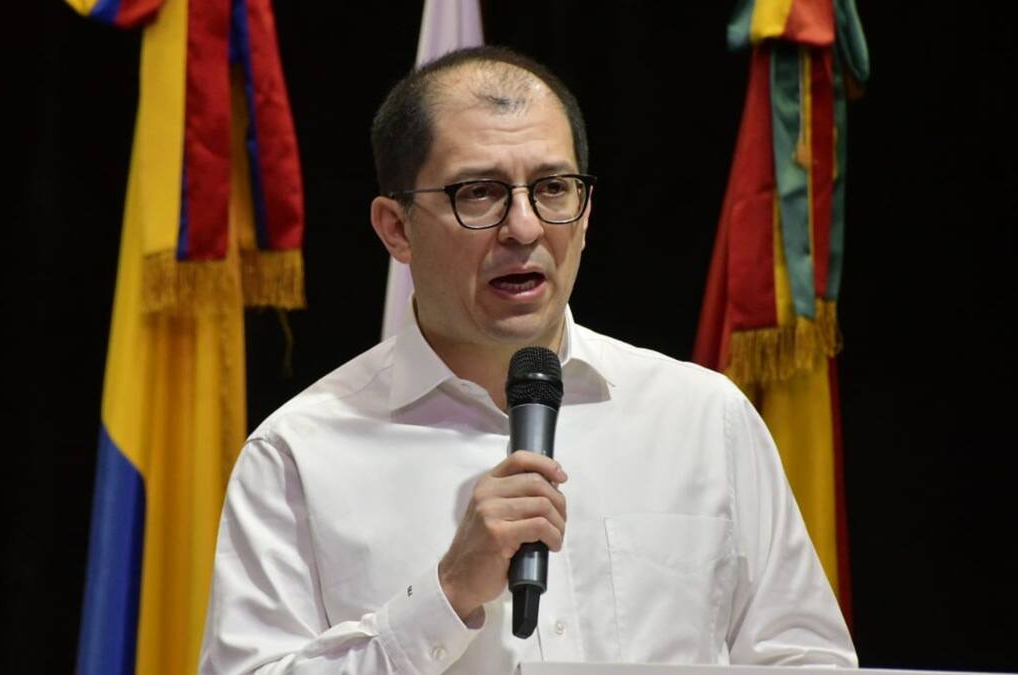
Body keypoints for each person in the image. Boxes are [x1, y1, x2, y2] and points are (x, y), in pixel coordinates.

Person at [199, 46, 856, 674]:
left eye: (553, 187)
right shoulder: (299, 453)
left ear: (586, 213)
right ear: (396, 228)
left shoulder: (703, 420)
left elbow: (807, 662)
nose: (524, 227)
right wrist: (446, 594)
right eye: (479, 192)